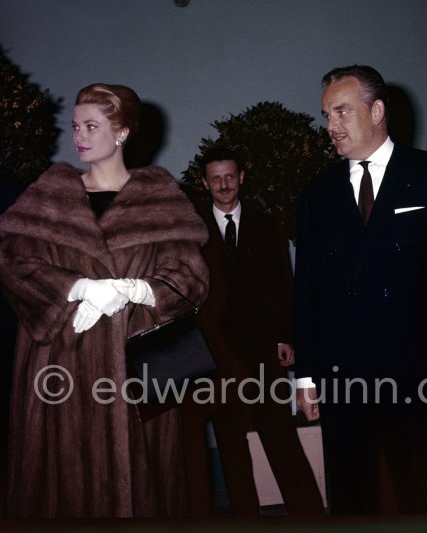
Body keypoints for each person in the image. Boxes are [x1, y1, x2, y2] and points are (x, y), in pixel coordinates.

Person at [0, 83, 209, 517]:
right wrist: (77, 288)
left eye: (91, 126)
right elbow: (14, 263)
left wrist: (135, 289)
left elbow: (190, 277)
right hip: (58, 372)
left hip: (135, 372)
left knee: (143, 487)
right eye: (75, 126)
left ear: (122, 133)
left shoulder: (159, 198)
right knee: (63, 489)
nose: (79, 136)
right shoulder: (48, 196)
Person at [293, 65, 427, 515]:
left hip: (416, 368)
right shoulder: (316, 194)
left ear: (377, 110)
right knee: (350, 498)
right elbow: (306, 290)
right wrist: (305, 375)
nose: (330, 126)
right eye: (326, 115)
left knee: (421, 491)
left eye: (342, 111)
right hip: (341, 374)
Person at [183, 146, 325, 519]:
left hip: (263, 350)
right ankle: (245, 521)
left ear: (241, 177)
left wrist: (285, 337)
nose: (223, 185)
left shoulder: (266, 224)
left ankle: (309, 517)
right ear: (204, 182)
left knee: (280, 437)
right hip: (215, 355)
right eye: (215, 178)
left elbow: (283, 283)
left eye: (230, 176)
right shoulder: (192, 231)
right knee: (230, 445)